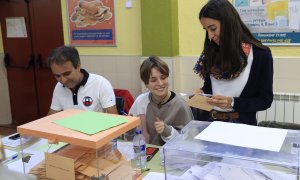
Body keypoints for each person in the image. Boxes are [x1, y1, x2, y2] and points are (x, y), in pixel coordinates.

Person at [193, 0, 273, 125]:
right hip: (210, 122)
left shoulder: (260, 55)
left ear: (228, 24)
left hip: (242, 126)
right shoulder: (211, 53)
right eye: (206, 30)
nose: (210, 36)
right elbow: (210, 88)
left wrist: (232, 102)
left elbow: (265, 100)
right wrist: (202, 93)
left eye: (213, 28)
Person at [129, 56, 193, 146]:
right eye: (153, 80)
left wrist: (167, 131)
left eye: (163, 78)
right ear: (146, 84)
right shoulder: (141, 102)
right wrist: (129, 130)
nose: (160, 83)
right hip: (147, 155)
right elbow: (131, 138)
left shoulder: (181, 105)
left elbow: (189, 141)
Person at [47, 45, 118, 115]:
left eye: (67, 74)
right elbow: (51, 118)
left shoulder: (100, 84)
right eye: (57, 76)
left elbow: (114, 119)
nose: (63, 80)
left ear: (78, 66)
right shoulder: (59, 86)